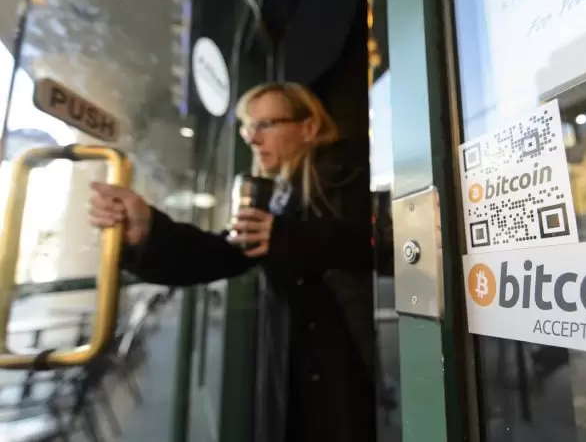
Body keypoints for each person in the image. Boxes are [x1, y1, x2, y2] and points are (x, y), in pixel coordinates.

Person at [88, 82, 375, 442]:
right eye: (247, 128)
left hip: (360, 362)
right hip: (306, 366)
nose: (252, 139)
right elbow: (224, 253)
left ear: (309, 127)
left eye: (265, 125)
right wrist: (148, 232)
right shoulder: (277, 192)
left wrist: (288, 238)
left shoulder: (352, 172)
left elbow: (379, 245)